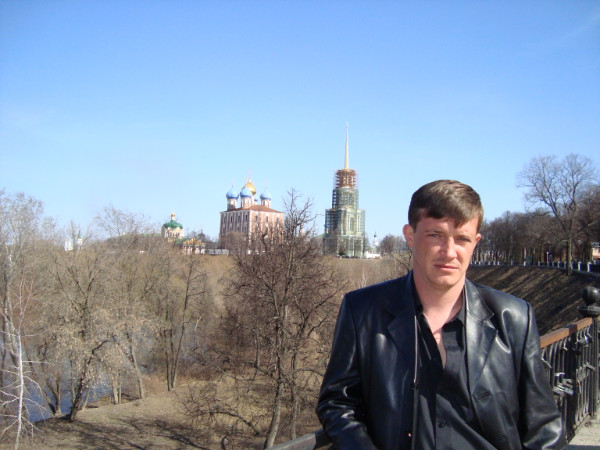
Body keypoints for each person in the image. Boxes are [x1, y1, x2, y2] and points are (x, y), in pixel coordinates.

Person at [316, 180, 566, 450]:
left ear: (475, 243)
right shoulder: (364, 311)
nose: (449, 252)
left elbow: (543, 429)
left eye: (462, 239)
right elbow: (337, 403)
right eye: (435, 235)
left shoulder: (513, 318)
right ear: (410, 236)